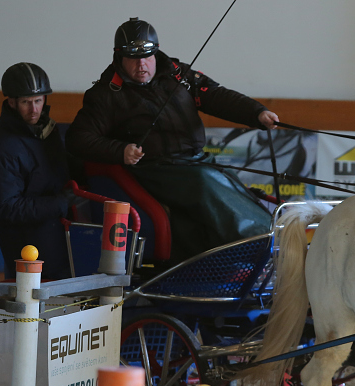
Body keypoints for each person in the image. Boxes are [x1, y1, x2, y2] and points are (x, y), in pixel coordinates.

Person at [66, 17, 278, 262]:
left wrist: (257, 112)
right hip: (156, 169)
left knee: (227, 181)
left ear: (156, 53)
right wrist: (120, 150)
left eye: (147, 56)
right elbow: (77, 139)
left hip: (197, 161)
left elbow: (216, 96)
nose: (141, 64)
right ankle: (255, 243)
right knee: (202, 181)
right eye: (133, 58)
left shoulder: (179, 75)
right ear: (119, 59)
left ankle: (266, 239)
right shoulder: (105, 94)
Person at [0, 63, 74, 280]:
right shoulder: (0, 149)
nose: (34, 109)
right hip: (31, 258)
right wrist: (60, 204)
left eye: (38, 101)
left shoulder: (47, 132)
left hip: (60, 246)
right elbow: (7, 208)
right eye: (26, 102)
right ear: (11, 102)